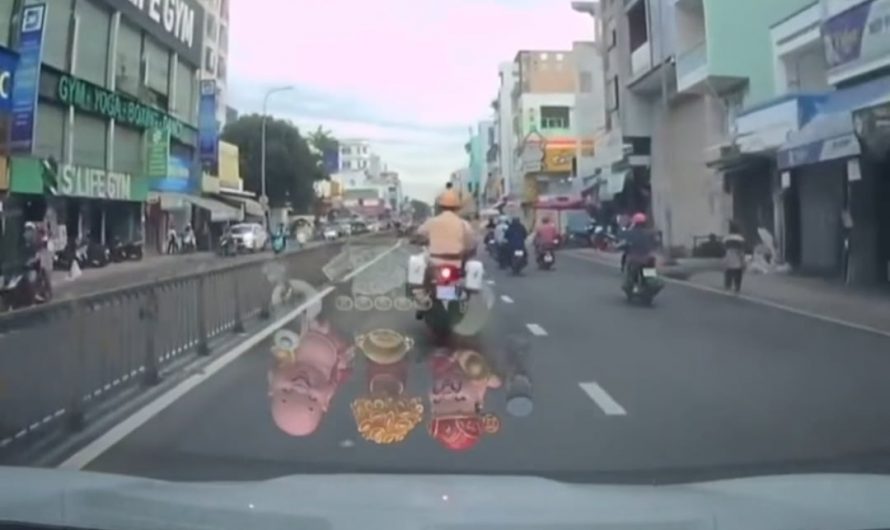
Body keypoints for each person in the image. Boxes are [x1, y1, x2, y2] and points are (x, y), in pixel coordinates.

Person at [413, 189, 476, 267]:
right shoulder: (463, 224)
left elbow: (419, 233)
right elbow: (470, 243)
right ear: (457, 208)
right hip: (456, 264)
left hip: (435, 263)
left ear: (440, 207)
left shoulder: (431, 222)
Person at [619, 212, 658, 290]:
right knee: (650, 275)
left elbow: (624, 244)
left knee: (630, 276)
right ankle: (649, 283)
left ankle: (633, 285)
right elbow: (655, 244)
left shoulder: (631, 233)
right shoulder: (650, 233)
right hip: (648, 259)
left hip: (635, 259)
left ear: (634, 223)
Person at [723, 221, 746, 293]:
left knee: (728, 272)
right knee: (738, 273)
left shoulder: (726, 238)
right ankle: (737, 287)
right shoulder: (740, 238)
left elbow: (723, 249)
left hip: (728, 257)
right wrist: (743, 261)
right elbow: (742, 250)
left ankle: (727, 285)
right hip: (737, 257)